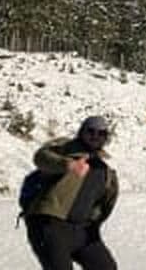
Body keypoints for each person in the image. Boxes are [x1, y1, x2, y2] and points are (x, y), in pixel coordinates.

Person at [24, 115, 119, 270]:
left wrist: (94, 224)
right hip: (50, 225)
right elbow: (41, 157)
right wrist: (67, 164)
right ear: (81, 132)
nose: (95, 136)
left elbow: (105, 204)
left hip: (83, 230)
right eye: (90, 131)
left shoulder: (105, 170)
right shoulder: (65, 149)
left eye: (101, 133)